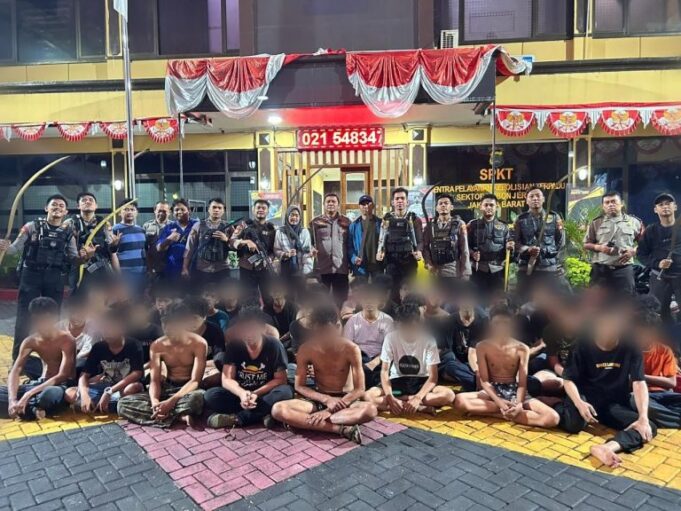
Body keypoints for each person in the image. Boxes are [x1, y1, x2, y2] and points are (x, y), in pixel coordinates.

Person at [557, 301, 656, 468]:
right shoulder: (582, 345)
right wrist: (579, 403)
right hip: (585, 398)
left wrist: (643, 417)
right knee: (574, 424)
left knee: (647, 428)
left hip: (612, 403)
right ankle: (558, 406)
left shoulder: (631, 347)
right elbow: (568, 379)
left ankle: (606, 448)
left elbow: (639, 382)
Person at [0, 194, 92, 362]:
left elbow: (74, 259)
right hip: (31, 276)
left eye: (61, 206)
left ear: (66, 212)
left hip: (55, 277)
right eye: (54, 204)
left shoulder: (68, 232)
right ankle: (18, 359)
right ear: (46, 208)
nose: (57, 207)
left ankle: (52, 359)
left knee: (54, 319)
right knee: (24, 317)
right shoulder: (31, 227)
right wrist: (3, 247)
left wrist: (85, 257)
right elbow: (14, 250)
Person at [271, 305, 378, 444]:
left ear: (337, 327)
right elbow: (300, 386)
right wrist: (326, 400)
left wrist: (330, 410)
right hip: (320, 399)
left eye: (327, 332)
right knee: (278, 409)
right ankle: (340, 429)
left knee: (370, 410)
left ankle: (304, 422)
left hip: (346, 401)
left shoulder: (352, 349)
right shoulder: (306, 349)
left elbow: (360, 389)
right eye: (319, 333)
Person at [454, 305, 560, 428]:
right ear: (491, 325)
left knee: (552, 418)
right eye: (497, 324)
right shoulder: (482, 346)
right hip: (493, 391)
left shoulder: (522, 349)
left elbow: (522, 383)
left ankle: (495, 413)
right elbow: (484, 381)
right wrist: (500, 403)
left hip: (515, 391)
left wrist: (519, 404)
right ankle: (503, 412)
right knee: (459, 401)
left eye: (505, 324)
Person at [117, 303, 206, 428]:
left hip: (188, 390)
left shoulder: (199, 343)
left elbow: (195, 381)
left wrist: (171, 402)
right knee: (122, 404)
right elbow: (155, 380)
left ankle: (165, 415)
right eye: (165, 324)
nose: (168, 328)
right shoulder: (157, 346)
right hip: (167, 387)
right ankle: (176, 416)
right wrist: (155, 401)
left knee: (198, 398)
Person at [204, 309, 293, 428]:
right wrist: (242, 394)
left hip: (265, 393)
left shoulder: (274, 345)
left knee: (285, 392)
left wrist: (255, 393)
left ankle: (237, 418)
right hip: (241, 392)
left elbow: (280, 379)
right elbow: (227, 379)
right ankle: (262, 413)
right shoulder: (234, 345)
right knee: (211, 396)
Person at [366, 303, 454, 415]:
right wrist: (389, 396)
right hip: (397, 385)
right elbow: (384, 371)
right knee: (368, 396)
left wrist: (418, 397)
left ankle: (403, 403)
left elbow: (433, 378)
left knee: (448, 395)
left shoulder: (429, 340)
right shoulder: (390, 338)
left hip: (420, 384)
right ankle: (417, 407)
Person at [0, 298, 75, 420]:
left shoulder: (67, 340)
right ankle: (31, 409)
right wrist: (12, 399)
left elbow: (63, 375)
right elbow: (16, 370)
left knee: (50, 394)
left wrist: (28, 394)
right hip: (39, 383)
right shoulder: (30, 341)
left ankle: (28, 408)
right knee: (7, 394)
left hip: (59, 386)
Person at [65, 305, 144, 414]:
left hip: (123, 388)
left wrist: (109, 392)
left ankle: (100, 406)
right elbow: (84, 375)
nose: (107, 331)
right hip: (104, 386)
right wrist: (84, 395)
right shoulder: (98, 347)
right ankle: (110, 406)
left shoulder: (134, 345)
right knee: (70, 393)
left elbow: (137, 374)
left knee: (132, 388)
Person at [584, 192, 644, 295]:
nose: (610, 205)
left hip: (624, 270)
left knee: (625, 301)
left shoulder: (635, 222)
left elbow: (645, 244)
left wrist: (633, 251)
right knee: (597, 302)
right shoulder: (596, 223)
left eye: (613, 201)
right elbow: (586, 244)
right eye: (607, 202)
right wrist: (600, 248)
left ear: (622, 204)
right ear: (603, 206)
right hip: (601, 270)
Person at [631, 310, 681, 428]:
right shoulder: (629, 351)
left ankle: (666, 417)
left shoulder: (664, 350)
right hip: (640, 396)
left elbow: (671, 382)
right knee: (635, 401)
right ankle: (675, 419)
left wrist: (640, 376)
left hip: (664, 394)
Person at [514, 187, 566, 297]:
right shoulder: (520, 219)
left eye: (538, 196)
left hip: (549, 268)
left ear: (543, 199)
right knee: (524, 301)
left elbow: (560, 242)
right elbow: (515, 242)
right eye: (531, 196)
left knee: (549, 302)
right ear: (526, 200)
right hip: (526, 269)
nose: (535, 198)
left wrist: (545, 251)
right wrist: (527, 250)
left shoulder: (554, 217)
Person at [638, 193, 681, 322]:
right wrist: (658, 264)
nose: (665, 206)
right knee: (657, 313)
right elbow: (641, 254)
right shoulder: (651, 231)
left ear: (675, 207)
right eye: (661, 205)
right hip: (659, 277)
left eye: (668, 203)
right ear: (655, 210)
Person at [64, 192, 119, 290]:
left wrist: (119, 276)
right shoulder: (69, 224)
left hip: (101, 268)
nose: (87, 202)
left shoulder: (104, 224)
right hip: (78, 268)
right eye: (84, 200)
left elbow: (112, 253)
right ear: (78, 206)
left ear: (96, 206)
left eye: (91, 200)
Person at [343, 285, 394, 388]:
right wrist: (358, 362)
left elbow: (390, 348)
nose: (369, 302)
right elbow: (347, 346)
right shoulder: (352, 321)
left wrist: (374, 362)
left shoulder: (388, 321)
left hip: (380, 359)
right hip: (358, 357)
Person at [377, 188, 423, 298]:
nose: (400, 201)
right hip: (391, 262)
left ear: (407, 202)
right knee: (392, 294)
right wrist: (380, 251)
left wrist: (419, 251)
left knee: (409, 293)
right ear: (393, 202)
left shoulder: (415, 219)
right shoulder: (386, 219)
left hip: (409, 261)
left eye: (402, 198)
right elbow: (381, 238)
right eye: (397, 198)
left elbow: (420, 240)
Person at [437, 292, 486, 392]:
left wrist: (477, 371)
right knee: (450, 364)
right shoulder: (448, 321)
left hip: (473, 364)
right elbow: (445, 349)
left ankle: (475, 382)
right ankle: (481, 384)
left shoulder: (482, 321)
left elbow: (473, 352)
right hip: (455, 364)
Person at [230, 199, 277, 301]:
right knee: (247, 299)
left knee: (269, 299)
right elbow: (232, 241)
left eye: (263, 208)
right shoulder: (244, 225)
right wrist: (246, 241)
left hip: (264, 268)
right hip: (246, 268)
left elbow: (274, 250)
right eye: (258, 207)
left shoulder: (271, 228)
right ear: (253, 209)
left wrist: (269, 259)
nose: (261, 210)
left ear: (268, 211)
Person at [467, 194, 514, 296]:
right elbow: (466, 246)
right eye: (486, 205)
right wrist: (472, 253)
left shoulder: (504, 226)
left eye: (491, 205)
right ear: (481, 207)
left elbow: (510, 249)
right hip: (478, 270)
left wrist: (510, 247)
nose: (488, 207)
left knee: (497, 300)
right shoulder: (473, 225)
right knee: (478, 301)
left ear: (496, 207)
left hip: (498, 270)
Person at [309, 193, 351, 304]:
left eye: (333, 201)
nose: (331, 204)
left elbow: (350, 244)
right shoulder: (315, 222)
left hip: (341, 268)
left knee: (341, 301)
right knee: (319, 302)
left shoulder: (347, 222)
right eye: (328, 201)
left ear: (338, 205)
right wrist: (311, 248)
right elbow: (309, 242)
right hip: (322, 269)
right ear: (323, 204)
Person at [183, 198, 234, 289]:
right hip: (202, 269)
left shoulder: (229, 227)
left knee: (223, 295)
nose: (216, 210)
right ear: (208, 209)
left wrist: (226, 239)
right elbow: (189, 248)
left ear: (223, 211)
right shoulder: (198, 225)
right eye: (214, 207)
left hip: (222, 268)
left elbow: (235, 247)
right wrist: (184, 268)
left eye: (219, 208)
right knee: (201, 295)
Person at [423, 194, 471, 280]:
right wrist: (429, 264)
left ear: (451, 207)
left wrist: (466, 272)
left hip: (453, 271)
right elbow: (425, 247)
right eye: (440, 203)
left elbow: (464, 249)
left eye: (446, 203)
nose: (443, 205)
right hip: (434, 272)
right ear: (436, 208)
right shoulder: (430, 226)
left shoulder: (460, 224)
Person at [156, 198, 198, 281]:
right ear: (173, 212)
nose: (179, 212)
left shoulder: (196, 225)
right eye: (176, 210)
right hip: (173, 270)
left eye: (182, 209)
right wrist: (168, 239)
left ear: (189, 211)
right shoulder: (168, 227)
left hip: (193, 269)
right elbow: (159, 248)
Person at [274, 205, 313, 292]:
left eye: (296, 215)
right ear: (287, 216)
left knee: (301, 296)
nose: (294, 218)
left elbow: (307, 252)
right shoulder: (280, 231)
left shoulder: (304, 232)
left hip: (301, 270)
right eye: (292, 215)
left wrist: (306, 272)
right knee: (287, 295)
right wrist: (286, 254)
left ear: (300, 217)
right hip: (285, 270)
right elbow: (276, 250)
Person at [112, 199, 147, 295]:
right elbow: (112, 253)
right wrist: (118, 276)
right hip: (125, 275)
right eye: (126, 209)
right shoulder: (115, 229)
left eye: (132, 209)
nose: (129, 212)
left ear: (137, 213)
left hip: (142, 274)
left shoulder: (141, 230)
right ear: (119, 212)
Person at [57, 293, 94, 375]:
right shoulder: (59, 326)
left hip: (78, 362)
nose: (76, 317)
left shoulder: (93, 328)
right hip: (59, 360)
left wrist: (68, 363)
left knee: (82, 364)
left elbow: (86, 352)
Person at [348, 195, 382, 279]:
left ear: (372, 206)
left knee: (379, 287)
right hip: (360, 266)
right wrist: (354, 258)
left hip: (377, 265)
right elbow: (349, 246)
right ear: (359, 206)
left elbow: (385, 242)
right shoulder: (354, 226)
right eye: (363, 204)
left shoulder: (380, 223)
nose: (366, 206)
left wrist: (383, 253)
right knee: (361, 287)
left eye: (368, 203)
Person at [143, 200, 170, 279]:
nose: (161, 213)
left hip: (169, 266)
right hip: (152, 266)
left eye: (164, 211)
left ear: (169, 212)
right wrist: (149, 268)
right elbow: (144, 248)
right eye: (159, 211)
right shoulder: (147, 226)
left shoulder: (173, 226)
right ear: (155, 211)